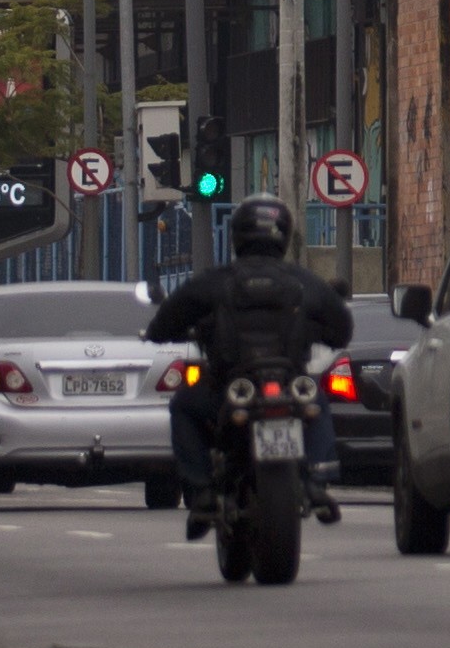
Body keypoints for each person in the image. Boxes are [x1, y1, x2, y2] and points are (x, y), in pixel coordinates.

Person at [150, 197, 355, 533]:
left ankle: (201, 488)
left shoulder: (215, 281)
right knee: (316, 402)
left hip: (230, 386)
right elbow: (342, 329)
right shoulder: (304, 281)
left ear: (237, 235)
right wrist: (319, 333)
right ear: (284, 236)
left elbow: (166, 321)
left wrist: (160, 334)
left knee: (184, 408)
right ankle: (319, 476)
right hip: (289, 382)